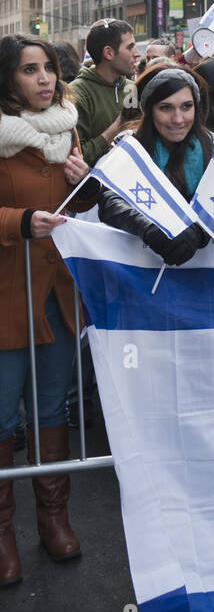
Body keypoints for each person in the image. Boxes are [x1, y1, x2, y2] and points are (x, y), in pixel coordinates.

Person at [0, 35, 100, 584]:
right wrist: (17, 221)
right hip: (6, 294)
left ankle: (53, 520)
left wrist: (84, 189)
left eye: (48, 69)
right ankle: (2, 536)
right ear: (7, 80)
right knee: (0, 415)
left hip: (56, 293)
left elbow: (72, 207)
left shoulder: (66, 127)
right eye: (28, 70)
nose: (43, 79)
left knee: (51, 406)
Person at [96, 65, 213, 266]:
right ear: (148, 110)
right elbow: (110, 200)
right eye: (166, 108)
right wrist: (150, 228)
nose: (178, 119)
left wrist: (200, 233)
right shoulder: (128, 147)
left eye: (186, 106)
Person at [68, 20, 139, 166]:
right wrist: (116, 128)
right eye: (130, 47)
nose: (137, 54)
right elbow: (77, 157)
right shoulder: (76, 94)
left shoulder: (136, 88)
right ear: (109, 53)